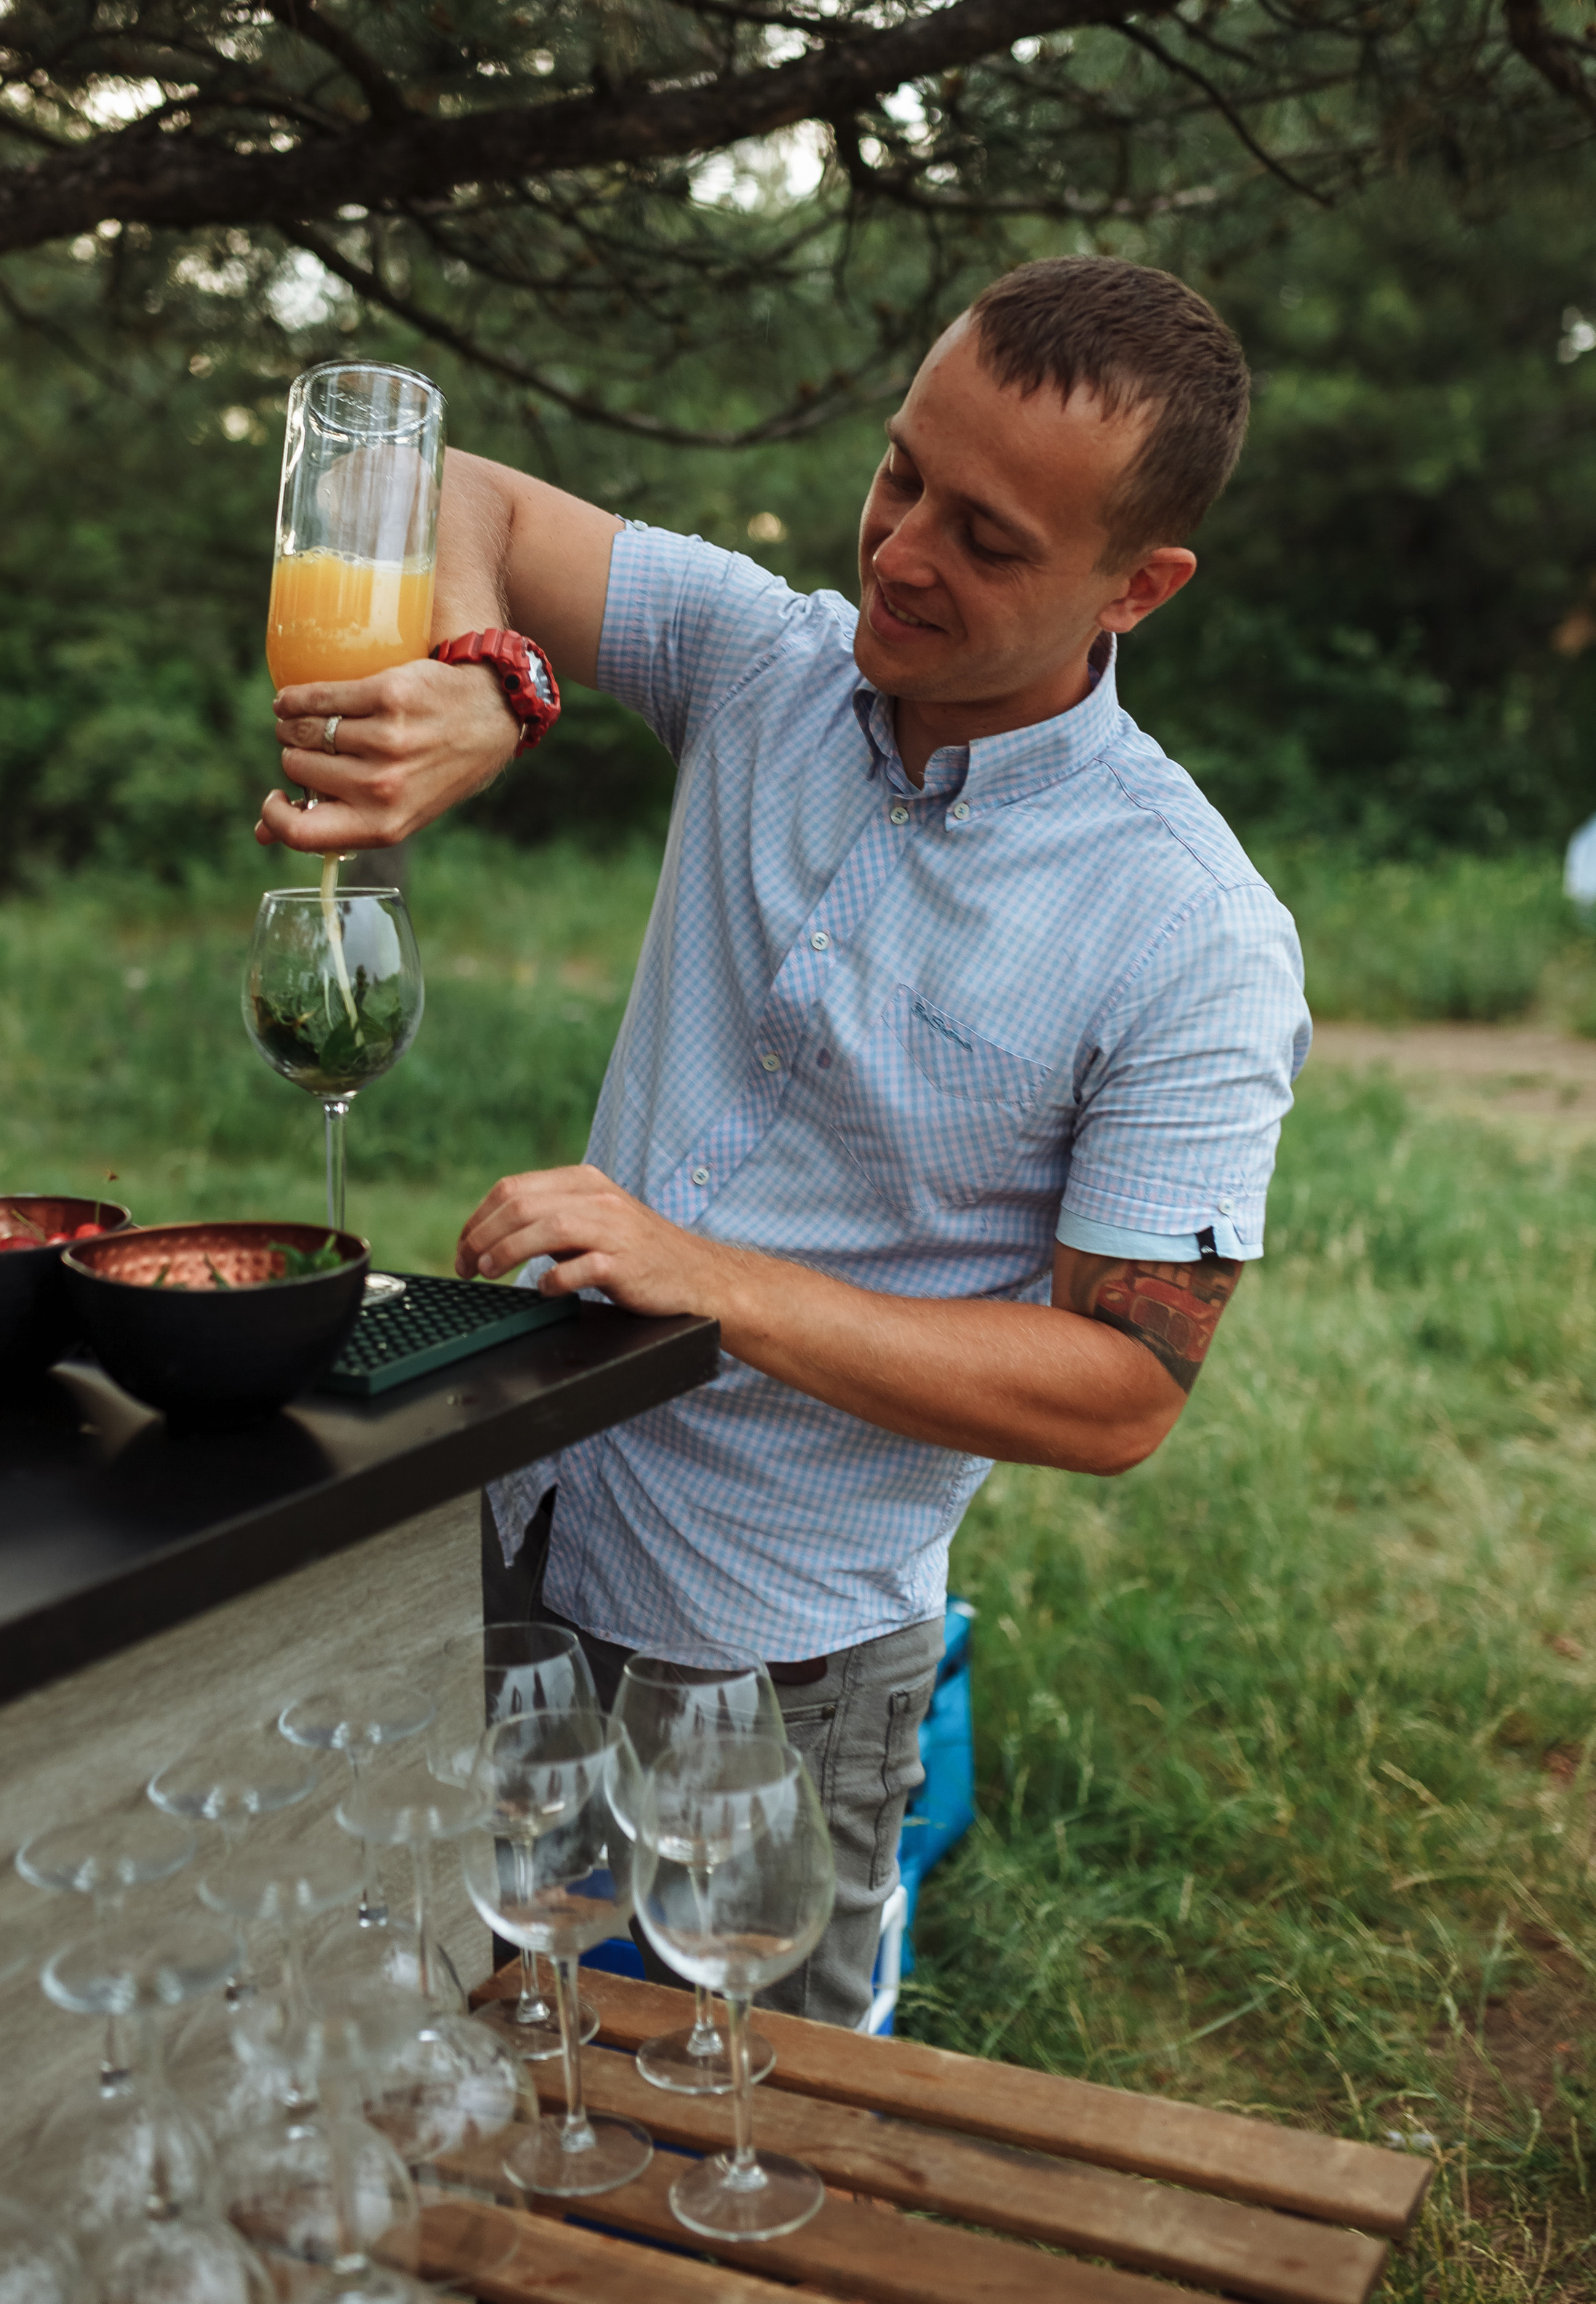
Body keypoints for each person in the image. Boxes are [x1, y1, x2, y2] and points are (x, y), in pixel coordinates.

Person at [255, 254, 1312, 2025]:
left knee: (744, 2165)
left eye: (987, 541)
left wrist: (713, 1286)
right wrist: (485, 673)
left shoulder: (1188, 928)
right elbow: (467, 494)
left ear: (1141, 584)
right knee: (458, 2071)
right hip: (511, 1540)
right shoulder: (764, 660)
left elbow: (1120, 1392)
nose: (898, 553)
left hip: (777, 1662)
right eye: (901, 473)